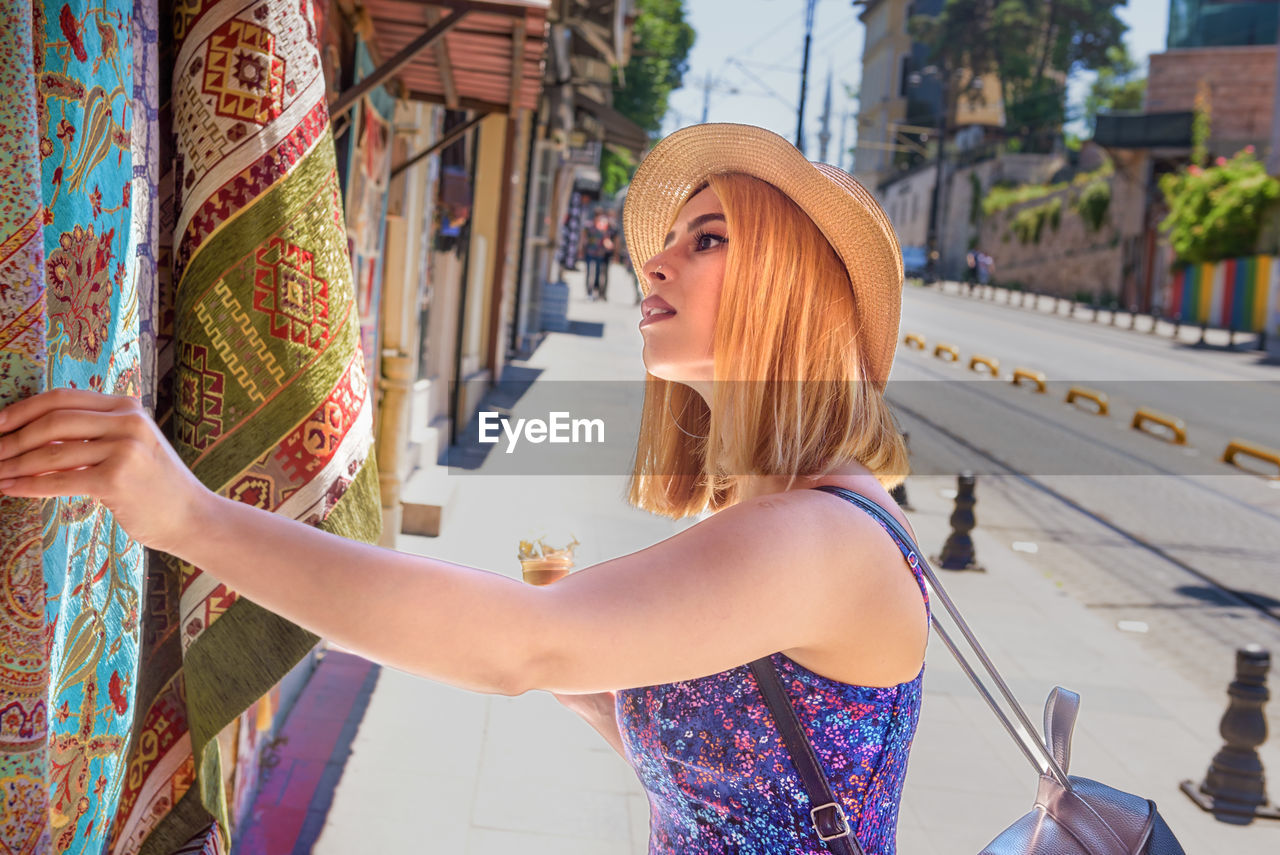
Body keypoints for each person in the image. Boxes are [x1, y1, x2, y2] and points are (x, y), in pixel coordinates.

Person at [0, 123, 926, 853]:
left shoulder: (819, 538)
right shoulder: (774, 517)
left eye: (709, 238)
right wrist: (602, 691)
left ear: (796, 290)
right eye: (673, 235)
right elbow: (747, 790)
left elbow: (516, 649)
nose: (654, 259)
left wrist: (190, 517)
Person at [580, 205, 617, 300]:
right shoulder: (588, 226)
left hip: (599, 253)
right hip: (590, 252)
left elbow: (606, 238)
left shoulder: (603, 226)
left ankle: (595, 291)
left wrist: (609, 246)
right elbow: (583, 238)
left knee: (597, 273)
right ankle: (589, 291)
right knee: (589, 272)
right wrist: (581, 249)